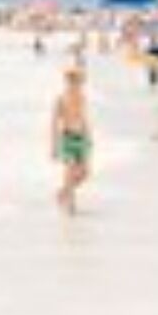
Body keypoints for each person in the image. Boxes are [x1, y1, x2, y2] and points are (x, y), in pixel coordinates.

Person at [51, 67, 93, 214]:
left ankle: (63, 192)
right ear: (67, 81)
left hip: (81, 138)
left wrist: (89, 136)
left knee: (85, 173)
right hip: (67, 137)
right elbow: (54, 123)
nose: (76, 84)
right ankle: (71, 205)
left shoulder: (82, 97)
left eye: (79, 82)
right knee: (69, 171)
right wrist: (54, 146)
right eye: (73, 81)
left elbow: (84, 118)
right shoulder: (61, 99)